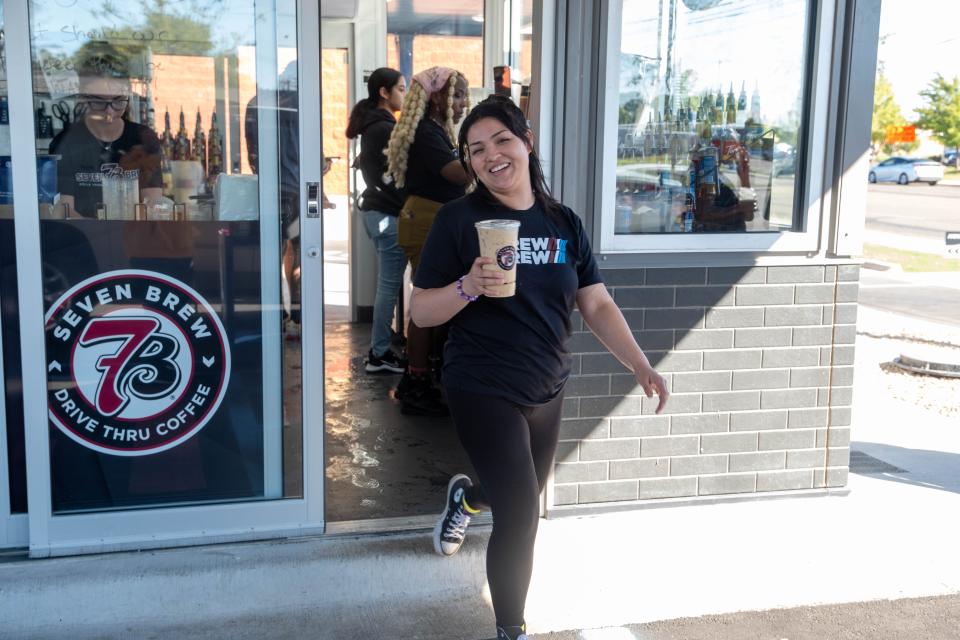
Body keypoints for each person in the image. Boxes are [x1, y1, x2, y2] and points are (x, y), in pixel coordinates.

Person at [409, 96, 670, 640]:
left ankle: (466, 498)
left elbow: (594, 302)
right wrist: (468, 285)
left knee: (513, 491)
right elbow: (421, 309)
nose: (491, 156)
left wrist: (640, 364)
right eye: (476, 150)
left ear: (526, 142)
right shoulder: (460, 220)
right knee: (523, 515)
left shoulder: (563, 222)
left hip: (547, 384)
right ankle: (511, 629)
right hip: (481, 384)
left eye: (502, 140)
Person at [385, 66, 470, 415]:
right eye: (459, 95)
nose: (464, 103)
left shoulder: (435, 130)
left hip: (429, 218)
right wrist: (490, 157)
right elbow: (457, 174)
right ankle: (416, 382)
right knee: (425, 304)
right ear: (437, 97)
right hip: (424, 220)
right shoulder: (427, 132)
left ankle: (424, 372)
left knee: (433, 301)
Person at [53, 42, 163, 218]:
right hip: (83, 239)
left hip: (132, 237)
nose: (110, 111)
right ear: (83, 97)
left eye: (119, 101)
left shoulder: (142, 139)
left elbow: (152, 204)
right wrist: (98, 236)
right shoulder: (66, 142)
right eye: (99, 102)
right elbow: (65, 210)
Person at [345, 67, 409, 374]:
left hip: (377, 213)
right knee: (388, 285)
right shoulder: (382, 129)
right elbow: (392, 177)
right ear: (384, 92)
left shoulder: (375, 125)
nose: (404, 94)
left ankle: (380, 350)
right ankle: (380, 353)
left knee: (387, 283)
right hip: (385, 215)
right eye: (400, 88)